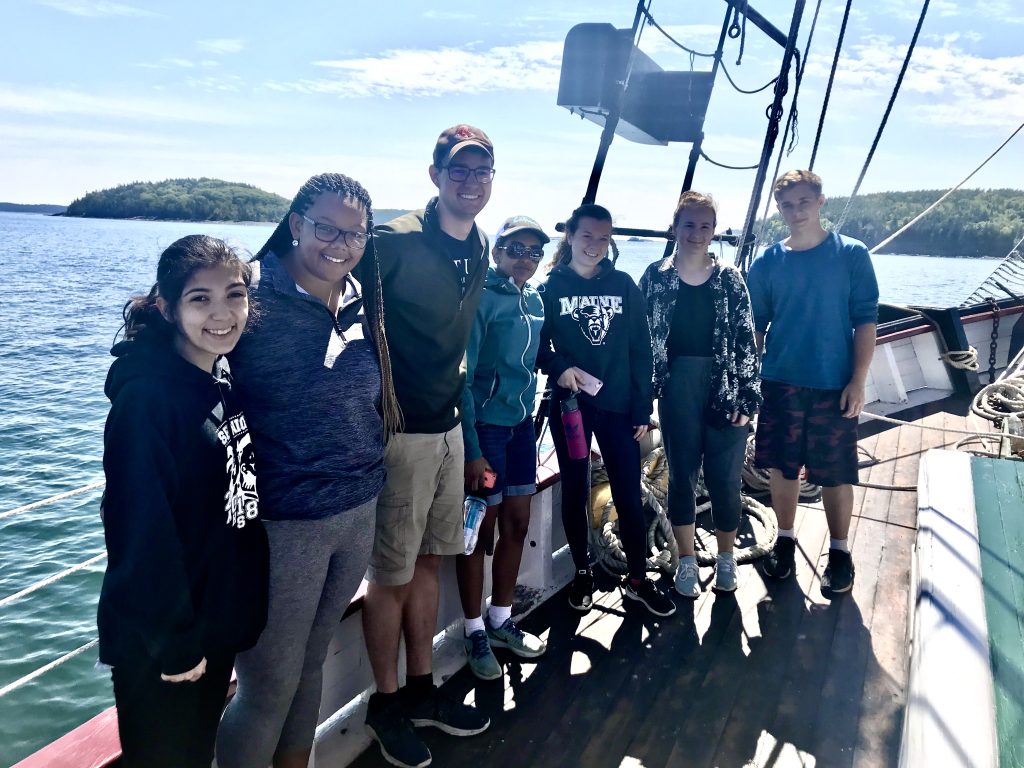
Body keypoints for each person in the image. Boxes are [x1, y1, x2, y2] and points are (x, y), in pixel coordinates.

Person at [216, 173, 400, 768]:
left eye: (354, 234)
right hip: (283, 522)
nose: (338, 244)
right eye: (325, 228)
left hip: (356, 508)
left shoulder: (359, 295)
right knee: (267, 683)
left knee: (312, 659)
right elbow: (177, 369)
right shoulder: (248, 296)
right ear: (295, 224)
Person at [98, 235, 268, 768]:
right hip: (167, 637)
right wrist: (175, 641)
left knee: (197, 752)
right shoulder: (147, 402)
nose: (223, 314)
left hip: (212, 616)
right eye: (201, 299)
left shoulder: (216, 372)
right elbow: (140, 531)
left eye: (234, 295)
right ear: (168, 308)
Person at [361, 125, 493, 768]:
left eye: (481, 171)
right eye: (458, 170)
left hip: (447, 429)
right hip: (401, 433)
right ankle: (384, 705)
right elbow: (316, 280)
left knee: (431, 564)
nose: (470, 182)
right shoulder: (395, 240)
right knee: (388, 576)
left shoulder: (482, 245)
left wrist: (465, 437)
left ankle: (421, 690)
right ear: (435, 174)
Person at [537, 203, 676, 619]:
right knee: (576, 491)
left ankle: (637, 578)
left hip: (618, 410)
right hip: (573, 410)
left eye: (603, 238)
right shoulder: (550, 287)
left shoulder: (623, 285)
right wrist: (560, 368)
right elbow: (538, 346)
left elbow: (641, 348)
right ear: (570, 237)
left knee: (628, 493)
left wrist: (641, 406)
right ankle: (583, 572)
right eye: (587, 236)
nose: (595, 245)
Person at [746, 169, 879, 596]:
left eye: (804, 202)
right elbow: (755, 327)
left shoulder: (851, 254)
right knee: (782, 470)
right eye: (787, 205)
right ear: (779, 209)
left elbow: (865, 321)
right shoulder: (767, 261)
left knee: (836, 474)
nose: (796, 211)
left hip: (832, 383)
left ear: (821, 201)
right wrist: (749, 381)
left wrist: (857, 381)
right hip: (780, 383)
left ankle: (839, 553)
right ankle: (784, 543)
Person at [639, 191, 761, 598]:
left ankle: (726, 559)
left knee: (726, 480)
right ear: (675, 227)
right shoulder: (655, 277)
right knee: (682, 478)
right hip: (676, 389)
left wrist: (748, 400)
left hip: (725, 387)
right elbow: (639, 342)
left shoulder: (729, 279)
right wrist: (641, 398)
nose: (696, 233)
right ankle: (687, 560)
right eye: (688, 224)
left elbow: (746, 340)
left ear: (714, 231)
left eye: (705, 226)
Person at [456, 215, 549, 681]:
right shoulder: (483, 298)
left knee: (517, 522)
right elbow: (464, 379)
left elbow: (537, 361)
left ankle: (500, 621)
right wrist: (472, 450)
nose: (525, 258)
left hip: (522, 428)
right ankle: (472, 630)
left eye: (535, 251)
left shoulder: (534, 299)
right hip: (486, 432)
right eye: (516, 249)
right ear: (498, 251)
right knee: (478, 530)